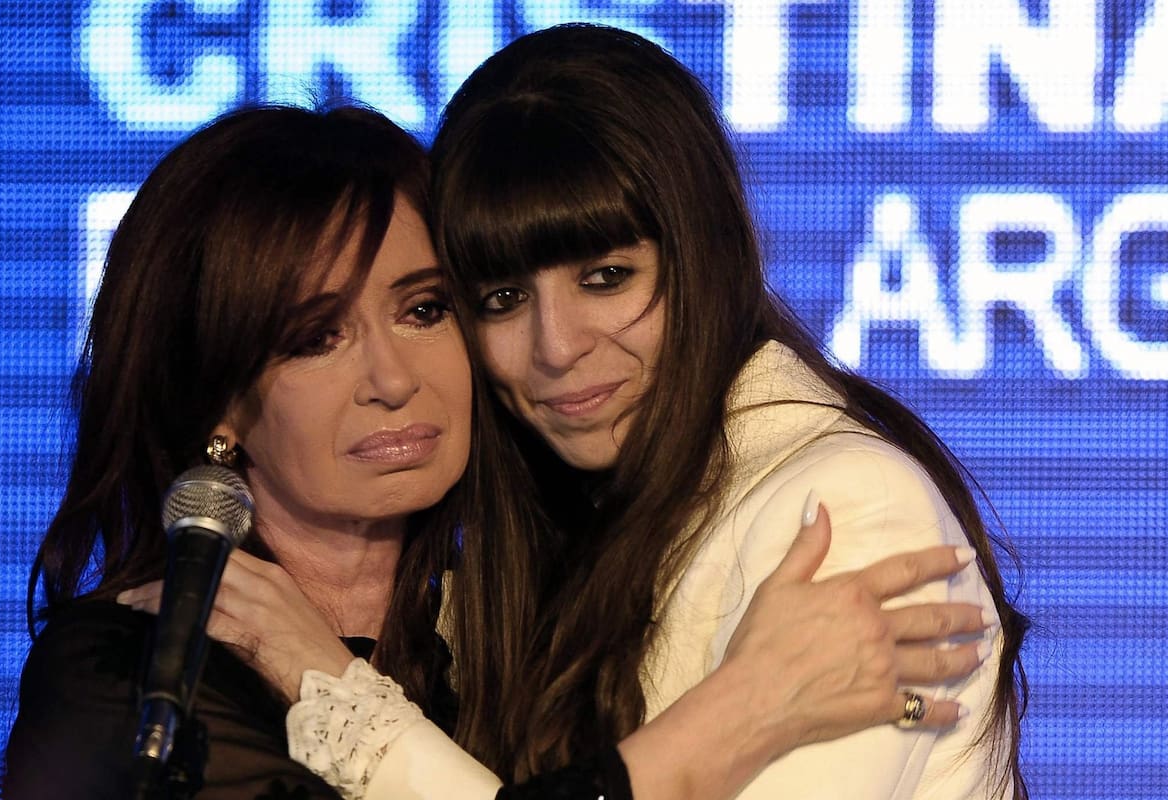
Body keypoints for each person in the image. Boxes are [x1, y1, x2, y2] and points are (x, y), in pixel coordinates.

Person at [6, 104, 989, 800]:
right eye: (315, 336)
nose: (392, 377)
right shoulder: (140, 679)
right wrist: (737, 715)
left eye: (426, 308)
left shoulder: (522, 624)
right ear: (219, 398)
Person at [229, 24, 1028, 800]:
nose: (556, 346)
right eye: (503, 299)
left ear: (704, 254)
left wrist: (336, 693)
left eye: (607, 277)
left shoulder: (845, 512)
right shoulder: (548, 534)